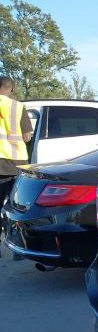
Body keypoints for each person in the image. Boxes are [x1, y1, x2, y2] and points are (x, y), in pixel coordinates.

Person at [0, 75, 32, 256]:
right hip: (18, 162)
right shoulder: (18, 107)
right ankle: (17, 250)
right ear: (11, 89)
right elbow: (27, 136)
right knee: (17, 207)